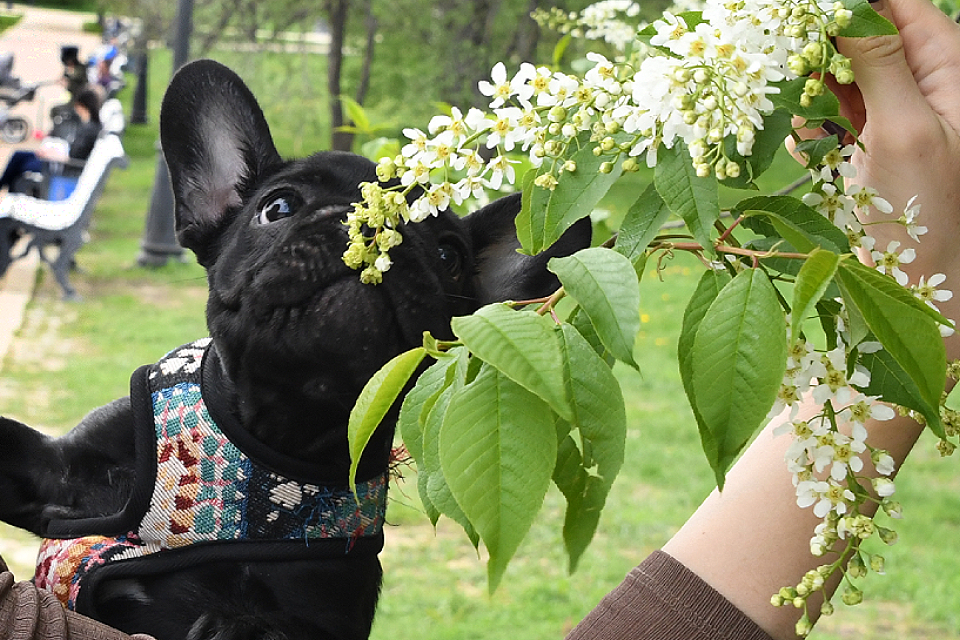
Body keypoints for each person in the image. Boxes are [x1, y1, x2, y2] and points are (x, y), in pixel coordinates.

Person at [0, 0, 959, 637]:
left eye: (441, 254)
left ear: (486, 312)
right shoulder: (161, 425)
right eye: (283, 208)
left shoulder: (335, 552)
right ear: (211, 208)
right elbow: (43, 477)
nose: (364, 246)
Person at [0, 89, 102, 194]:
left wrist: (52, 155)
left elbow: (75, 159)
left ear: (81, 106)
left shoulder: (90, 131)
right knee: (19, 155)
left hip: (61, 168)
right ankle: (7, 191)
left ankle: (10, 194)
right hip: (60, 161)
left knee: (24, 166)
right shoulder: (89, 127)